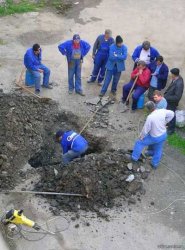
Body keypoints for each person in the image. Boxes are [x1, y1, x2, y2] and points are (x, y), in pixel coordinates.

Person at [131, 101, 174, 169]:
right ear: (154, 105)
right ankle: (154, 164)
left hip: (155, 137)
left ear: (148, 109)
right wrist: (166, 122)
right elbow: (172, 113)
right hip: (163, 135)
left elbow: (146, 129)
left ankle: (134, 158)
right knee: (158, 149)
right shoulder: (162, 111)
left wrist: (141, 136)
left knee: (139, 142)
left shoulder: (150, 117)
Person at [164, 68, 184, 135]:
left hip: (172, 102)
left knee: (172, 115)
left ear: (174, 74)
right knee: (168, 114)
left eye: (171, 74)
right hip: (169, 100)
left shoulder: (179, 83)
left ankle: (171, 130)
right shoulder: (176, 79)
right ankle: (167, 125)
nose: (170, 75)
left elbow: (177, 97)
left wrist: (166, 97)